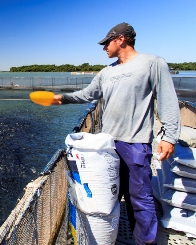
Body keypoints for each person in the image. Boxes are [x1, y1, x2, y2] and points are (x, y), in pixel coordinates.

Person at [53, 22, 180, 244]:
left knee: (139, 199)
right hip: (106, 146)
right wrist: (62, 98)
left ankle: (145, 241)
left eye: (106, 43)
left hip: (135, 144)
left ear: (120, 39)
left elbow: (167, 99)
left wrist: (170, 136)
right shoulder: (106, 72)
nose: (104, 48)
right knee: (109, 196)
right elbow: (87, 95)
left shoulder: (152, 63)